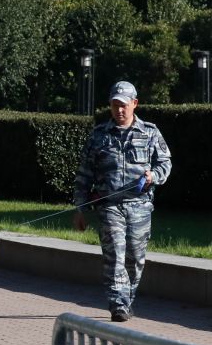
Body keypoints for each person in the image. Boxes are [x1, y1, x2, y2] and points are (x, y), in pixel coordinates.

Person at [72, 80, 173, 322]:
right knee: (115, 256)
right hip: (109, 208)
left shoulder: (150, 132)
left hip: (140, 207)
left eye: (123, 105)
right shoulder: (99, 135)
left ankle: (127, 300)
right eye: (115, 105)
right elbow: (84, 173)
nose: (119, 110)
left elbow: (165, 163)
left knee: (135, 258)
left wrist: (153, 175)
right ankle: (118, 304)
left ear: (134, 104)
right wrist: (80, 208)